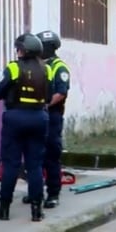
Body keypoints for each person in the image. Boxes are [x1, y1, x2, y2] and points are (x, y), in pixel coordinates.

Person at [0, 33, 52, 222]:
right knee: (34, 166)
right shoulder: (47, 69)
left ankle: (4, 208)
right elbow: (48, 98)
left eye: (18, 48)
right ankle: (36, 210)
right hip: (39, 118)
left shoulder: (13, 68)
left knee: (11, 165)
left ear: (22, 50)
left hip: (15, 118)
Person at [21, 30, 70, 209]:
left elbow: (61, 92)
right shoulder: (37, 65)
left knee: (51, 156)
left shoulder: (59, 66)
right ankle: (35, 192)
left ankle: (53, 193)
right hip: (36, 117)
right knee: (34, 156)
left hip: (52, 117)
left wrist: (45, 104)